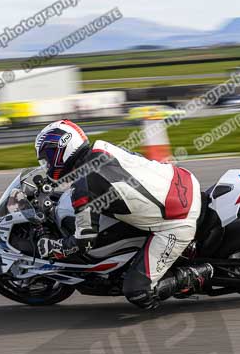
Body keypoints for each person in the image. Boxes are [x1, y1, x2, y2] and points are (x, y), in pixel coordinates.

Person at [34, 119, 213, 310]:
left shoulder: (84, 188)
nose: (47, 164)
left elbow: (85, 241)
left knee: (139, 292)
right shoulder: (101, 148)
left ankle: (199, 273)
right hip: (181, 180)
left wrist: (55, 248)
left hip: (177, 222)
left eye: (48, 158)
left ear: (62, 150)